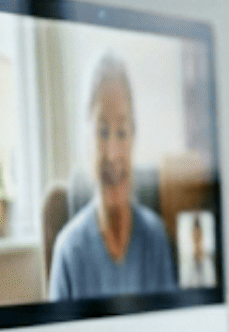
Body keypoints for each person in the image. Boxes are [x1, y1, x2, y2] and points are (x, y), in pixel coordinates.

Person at [48, 54, 177, 300]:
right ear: (87, 140)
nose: (113, 152)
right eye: (102, 131)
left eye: (122, 131)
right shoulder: (68, 253)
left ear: (134, 138)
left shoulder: (157, 238)